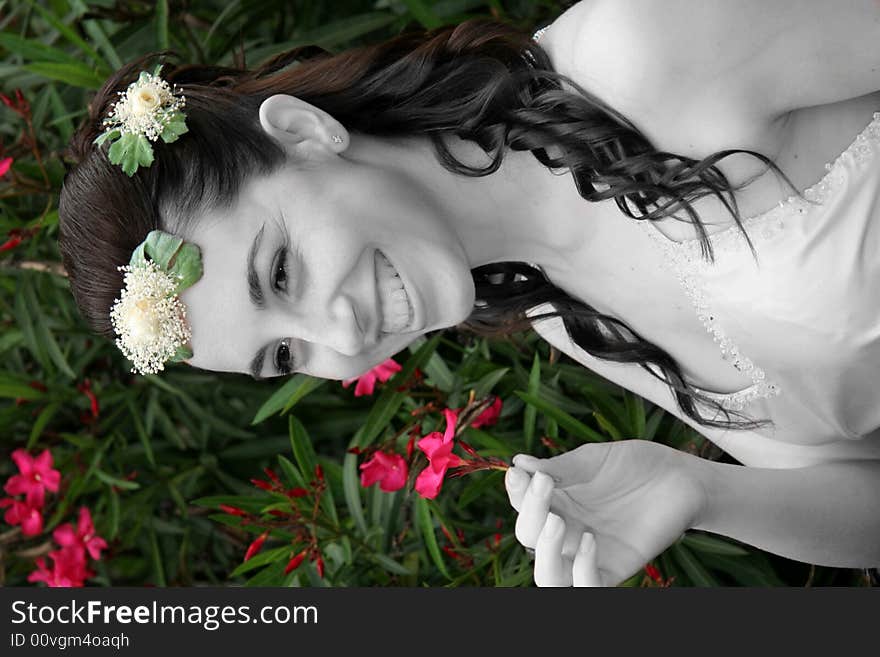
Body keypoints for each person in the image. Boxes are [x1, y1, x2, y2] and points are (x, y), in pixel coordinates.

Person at [58, 0, 880, 586]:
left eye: (281, 272)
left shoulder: (646, 51)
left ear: (305, 133)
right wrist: (702, 489)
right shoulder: (566, 317)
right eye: (285, 353)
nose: (339, 336)